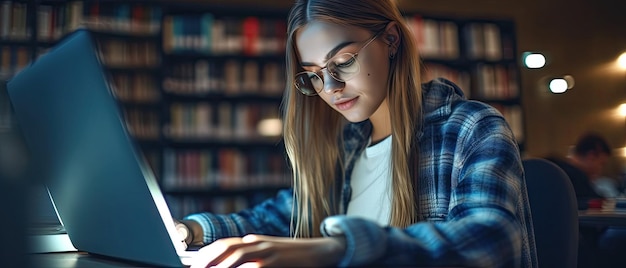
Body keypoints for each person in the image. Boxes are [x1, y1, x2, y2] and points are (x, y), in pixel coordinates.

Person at [175, 0, 537, 267]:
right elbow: (275, 217)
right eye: (314, 74)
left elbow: (493, 238)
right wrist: (190, 230)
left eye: (343, 62)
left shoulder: (471, 128)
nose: (329, 87)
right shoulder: (346, 148)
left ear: (391, 40)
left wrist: (340, 248)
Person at [545, 132, 612, 209]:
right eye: (601, 164)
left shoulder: (549, 165)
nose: (600, 170)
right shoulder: (577, 177)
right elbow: (600, 202)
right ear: (591, 156)